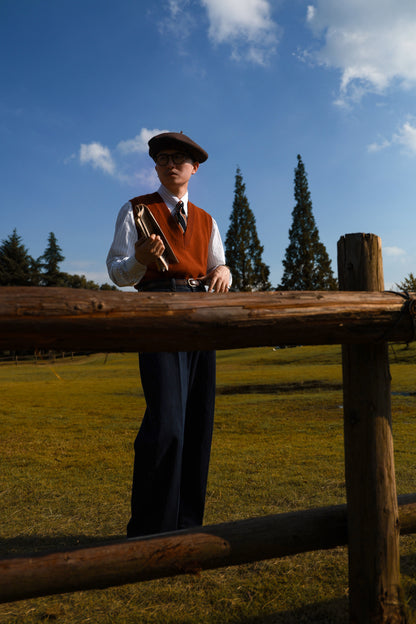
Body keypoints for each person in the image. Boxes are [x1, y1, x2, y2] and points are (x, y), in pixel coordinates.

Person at [106, 131, 230, 537]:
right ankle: (150, 529)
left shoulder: (208, 220)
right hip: (158, 311)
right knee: (167, 423)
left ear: (194, 168)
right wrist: (140, 260)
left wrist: (224, 271)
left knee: (198, 422)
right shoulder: (137, 209)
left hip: (200, 317)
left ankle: (188, 526)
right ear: (156, 166)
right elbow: (117, 272)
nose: (170, 163)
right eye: (162, 158)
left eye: (179, 158)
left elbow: (218, 266)